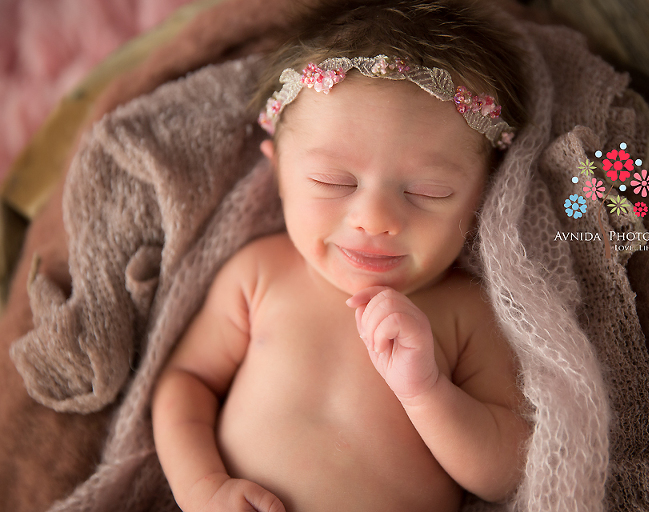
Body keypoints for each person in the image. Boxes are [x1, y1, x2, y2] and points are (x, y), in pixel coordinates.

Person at [151, 1, 531, 511]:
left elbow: (510, 470)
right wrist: (202, 488)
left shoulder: (466, 314)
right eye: (334, 182)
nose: (374, 219)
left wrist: (428, 392)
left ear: (483, 197)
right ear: (278, 175)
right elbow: (186, 383)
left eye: (428, 191)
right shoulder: (260, 274)